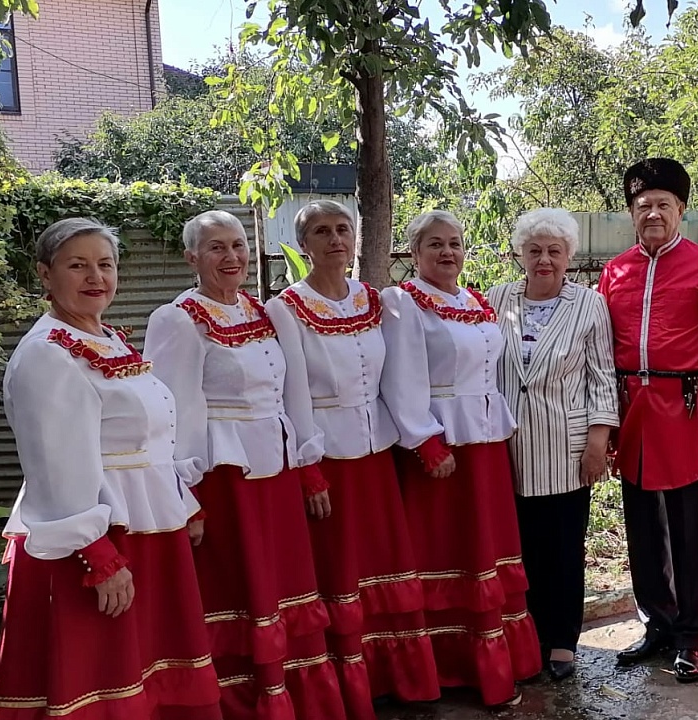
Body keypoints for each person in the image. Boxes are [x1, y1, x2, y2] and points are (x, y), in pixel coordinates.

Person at [0, 218, 222, 720]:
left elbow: (150, 436)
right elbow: (53, 463)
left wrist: (181, 500)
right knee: (100, 673)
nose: (96, 277)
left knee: (147, 664)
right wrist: (97, 555)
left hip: (144, 526)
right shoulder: (48, 354)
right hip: (94, 538)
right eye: (78, 266)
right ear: (45, 274)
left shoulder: (106, 338)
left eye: (105, 264)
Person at [145, 210, 345, 720]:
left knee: (283, 585)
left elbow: (290, 392)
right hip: (223, 479)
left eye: (237, 245)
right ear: (192, 258)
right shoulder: (179, 319)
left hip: (276, 472)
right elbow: (171, 411)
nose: (231, 256)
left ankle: (295, 697)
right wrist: (184, 497)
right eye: (216, 247)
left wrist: (306, 464)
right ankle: (245, 701)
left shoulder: (263, 311)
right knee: (238, 588)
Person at [266, 200, 439, 716]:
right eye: (322, 231)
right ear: (303, 244)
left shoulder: (374, 300)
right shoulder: (287, 307)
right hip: (328, 455)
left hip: (376, 452)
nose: (335, 240)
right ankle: (348, 685)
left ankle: (394, 675)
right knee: (340, 569)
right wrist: (307, 466)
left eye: (343, 229)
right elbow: (292, 391)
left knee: (384, 562)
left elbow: (395, 378)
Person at [379, 210, 541, 708]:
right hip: (442, 447)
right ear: (415, 252)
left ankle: (494, 661)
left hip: (485, 445)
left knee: (485, 550)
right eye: (435, 244)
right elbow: (399, 378)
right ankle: (444, 666)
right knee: (447, 550)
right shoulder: (404, 303)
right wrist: (426, 441)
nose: (447, 252)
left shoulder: (473, 300)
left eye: (454, 243)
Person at [597, 157, 698, 683]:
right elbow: (603, 348)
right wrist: (607, 421)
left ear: (681, 209)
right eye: (642, 205)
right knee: (642, 526)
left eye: (662, 205)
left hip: (685, 406)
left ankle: (692, 636)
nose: (652, 213)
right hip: (632, 406)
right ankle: (656, 622)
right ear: (631, 212)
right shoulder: (616, 270)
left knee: (688, 527)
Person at [486, 208, 621, 682]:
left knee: (562, 548)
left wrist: (598, 441)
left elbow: (602, 376)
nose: (544, 260)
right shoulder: (497, 298)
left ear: (569, 256)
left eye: (554, 251)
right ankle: (525, 638)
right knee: (518, 547)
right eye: (535, 250)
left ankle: (562, 639)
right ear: (520, 254)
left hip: (565, 444)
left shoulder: (589, 304)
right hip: (506, 446)